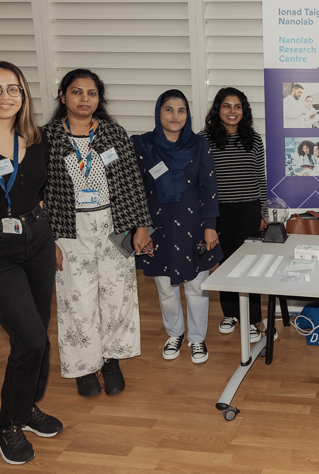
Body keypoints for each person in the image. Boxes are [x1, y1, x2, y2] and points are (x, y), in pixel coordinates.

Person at [0, 60, 63, 465]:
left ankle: (25, 407)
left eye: (13, 89)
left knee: (39, 334)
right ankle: (5, 422)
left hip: (35, 240)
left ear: (24, 95)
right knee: (30, 339)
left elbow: (37, 193)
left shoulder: (35, 139)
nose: (5, 97)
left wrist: (49, 238)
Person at [43, 69, 153, 397]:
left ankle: (111, 359)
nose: (85, 99)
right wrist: (48, 240)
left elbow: (132, 182)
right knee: (77, 300)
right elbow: (37, 191)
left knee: (117, 296)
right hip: (68, 229)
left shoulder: (113, 134)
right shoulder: (45, 138)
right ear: (63, 96)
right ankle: (84, 366)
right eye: (77, 92)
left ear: (98, 98)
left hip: (113, 226)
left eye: (91, 93)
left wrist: (141, 226)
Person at [132, 90, 223, 363]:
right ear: (159, 112)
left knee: (197, 285)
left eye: (181, 110)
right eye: (169, 109)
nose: (175, 116)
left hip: (194, 224)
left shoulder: (198, 145)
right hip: (157, 226)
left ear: (188, 114)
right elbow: (135, 189)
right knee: (165, 287)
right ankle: (175, 333)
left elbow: (209, 187)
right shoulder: (142, 145)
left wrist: (210, 225)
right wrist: (140, 227)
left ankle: (197, 339)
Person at [200, 87, 271, 343]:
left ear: (244, 111)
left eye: (238, 106)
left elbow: (260, 177)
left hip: (248, 208)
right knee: (226, 262)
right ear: (218, 109)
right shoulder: (204, 139)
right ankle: (230, 313)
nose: (232, 111)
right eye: (227, 106)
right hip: (219, 210)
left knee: (249, 264)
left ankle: (252, 319)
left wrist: (263, 211)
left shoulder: (253, 138)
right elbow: (200, 180)